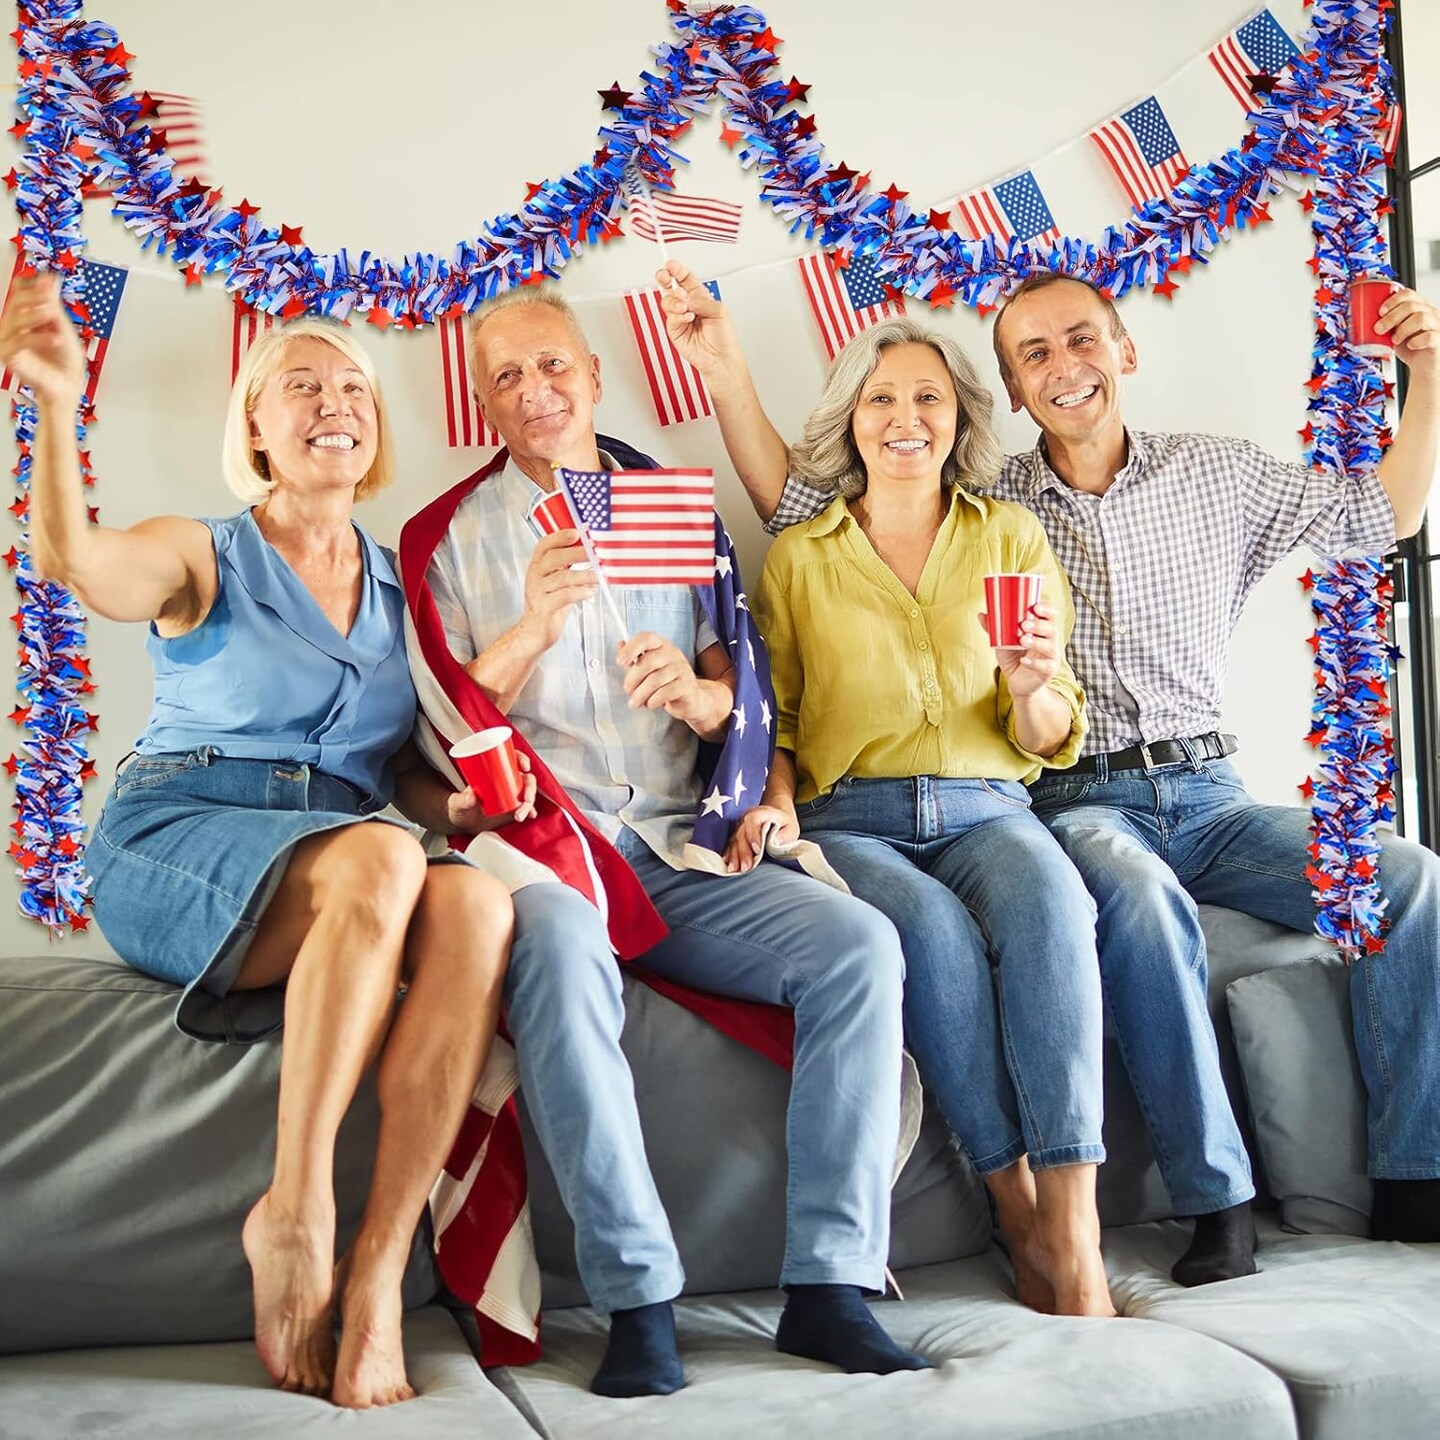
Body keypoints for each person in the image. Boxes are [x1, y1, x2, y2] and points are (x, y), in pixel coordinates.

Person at [667, 259, 1440, 1265]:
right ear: (1015, 391)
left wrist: (1426, 377)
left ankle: (1416, 1173)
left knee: (1410, 877)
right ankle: (1216, 1199)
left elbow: (1387, 516)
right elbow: (814, 504)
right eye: (1034, 354)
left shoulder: (1219, 473)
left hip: (1213, 792)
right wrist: (724, 370)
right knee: (1137, 897)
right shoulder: (992, 499)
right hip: (1080, 798)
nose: (1064, 365)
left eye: (1082, 339)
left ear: (1125, 349)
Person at [0, 275, 531, 1408]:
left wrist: (460, 814)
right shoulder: (204, 551)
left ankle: (380, 1273)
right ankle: (293, 1211)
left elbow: (396, 779)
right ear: (256, 425)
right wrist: (51, 407)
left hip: (339, 852)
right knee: (384, 859)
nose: (334, 402)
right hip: (176, 837)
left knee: (479, 901)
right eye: (302, 386)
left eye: (353, 388)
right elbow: (77, 565)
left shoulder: (401, 591)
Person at [401, 284, 930, 1397]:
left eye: (553, 367)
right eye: (506, 377)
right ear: (483, 403)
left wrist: (701, 702)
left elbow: (733, 666)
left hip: (682, 845)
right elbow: (442, 730)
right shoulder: (444, 536)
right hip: (548, 849)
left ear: (595, 375)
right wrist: (532, 631)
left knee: (860, 947)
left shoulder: (665, 503)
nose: (535, 392)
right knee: (554, 948)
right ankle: (639, 1296)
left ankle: (831, 1285)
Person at [723, 314, 1113, 1316]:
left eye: (927, 397)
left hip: (989, 803)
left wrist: (1030, 687)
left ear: (960, 417)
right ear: (851, 420)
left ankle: (1074, 1223)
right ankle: (1011, 1200)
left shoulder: (1009, 534)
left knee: (1056, 908)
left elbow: (1050, 722)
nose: (906, 418)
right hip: (854, 813)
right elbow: (784, 722)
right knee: (931, 937)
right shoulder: (802, 556)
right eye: (882, 398)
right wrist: (771, 807)